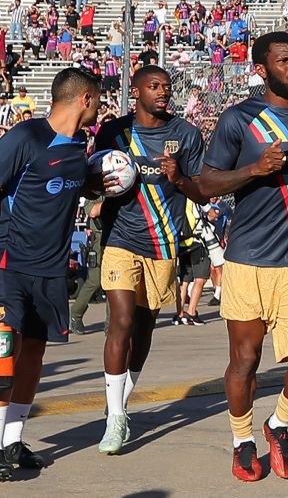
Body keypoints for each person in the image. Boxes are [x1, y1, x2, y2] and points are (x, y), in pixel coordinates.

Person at [171, 31, 288, 482]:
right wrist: (254, 170)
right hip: (246, 259)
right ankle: (242, 440)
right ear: (262, 70)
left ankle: (278, 424)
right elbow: (204, 186)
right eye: (284, 61)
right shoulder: (238, 120)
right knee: (245, 361)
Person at [0, 67, 102, 481]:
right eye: (98, 101)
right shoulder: (26, 136)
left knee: (34, 354)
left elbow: (66, 188)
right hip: (8, 262)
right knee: (6, 350)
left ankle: (15, 440)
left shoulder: (79, 146)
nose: (99, 109)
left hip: (51, 269)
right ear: (85, 99)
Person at [92, 64, 209, 455]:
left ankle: (121, 405)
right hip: (120, 239)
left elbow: (202, 193)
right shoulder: (114, 132)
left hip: (163, 246)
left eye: (167, 87)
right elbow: (91, 176)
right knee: (120, 321)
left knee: (142, 331)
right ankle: (113, 418)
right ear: (136, 90)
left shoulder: (187, 135)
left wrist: (178, 179)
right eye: (154, 86)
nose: (163, 92)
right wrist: (100, 185)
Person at [69, 198, 106, 335]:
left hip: (117, 235)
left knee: (115, 283)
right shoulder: (97, 187)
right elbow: (92, 211)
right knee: (95, 280)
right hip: (99, 236)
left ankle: (111, 324)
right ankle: (76, 313)